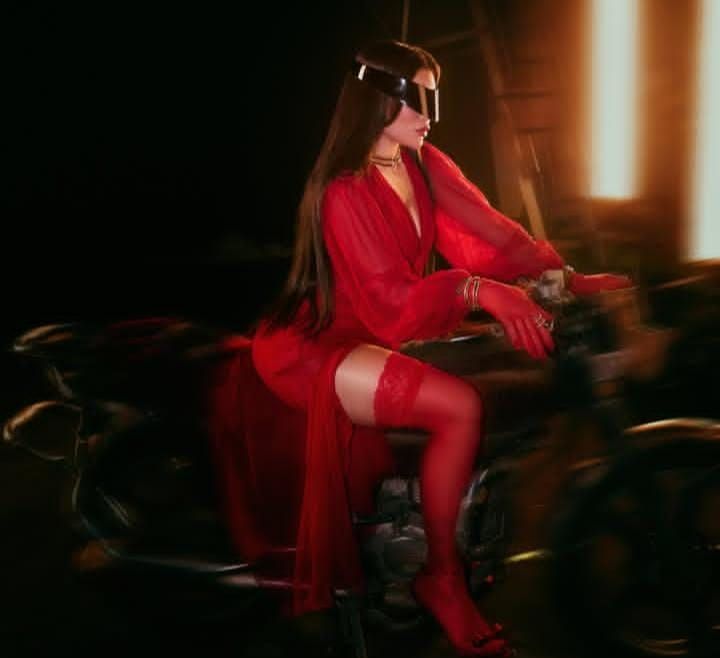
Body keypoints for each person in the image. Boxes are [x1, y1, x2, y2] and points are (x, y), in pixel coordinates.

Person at [209, 40, 632, 657]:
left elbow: (491, 232)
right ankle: (440, 578)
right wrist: (479, 291)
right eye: (419, 98)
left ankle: (442, 529)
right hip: (319, 343)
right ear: (380, 99)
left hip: (378, 331)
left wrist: (564, 278)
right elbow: (391, 303)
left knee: (494, 374)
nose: (431, 113)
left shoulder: (424, 164)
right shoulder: (344, 189)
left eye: (435, 96)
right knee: (457, 407)